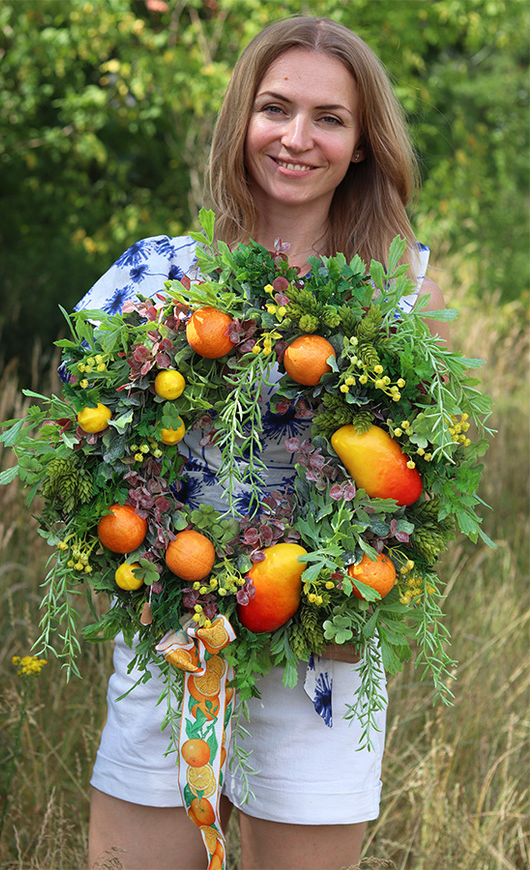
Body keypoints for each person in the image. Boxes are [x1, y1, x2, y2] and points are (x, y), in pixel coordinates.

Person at [83, 16, 449, 870]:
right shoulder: (158, 276)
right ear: (241, 118)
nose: (296, 138)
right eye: (275, 108)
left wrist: (343, 592)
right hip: (174, 632)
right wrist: (136, 556)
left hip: (321, 655)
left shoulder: (402, 295)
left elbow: (423, 486)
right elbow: (78, 446)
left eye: (329, 118)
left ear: (362, 145)